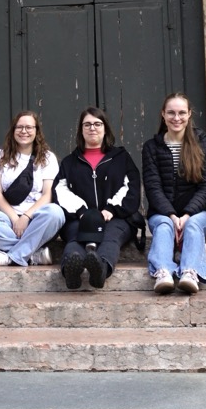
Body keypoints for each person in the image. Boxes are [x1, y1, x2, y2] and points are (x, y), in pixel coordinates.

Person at [54, 107, 141, 290]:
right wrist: (81, 211)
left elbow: (131, 186)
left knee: (110, 238)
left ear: (105, 128)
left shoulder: (121, 158)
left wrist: (111, 209)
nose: (92, 128)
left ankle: (101, 269)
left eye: (97, 124)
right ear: (81, 130)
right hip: (79, 218)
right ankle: (71, 271)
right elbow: (60, 190)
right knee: (76, 239)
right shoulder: (69, 162)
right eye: (87, 124)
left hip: (117, 218)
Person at [142, 93, 206, 294]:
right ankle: (163, 271)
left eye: (182, 113)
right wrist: (172, 216)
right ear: (163, 114)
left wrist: (187, 214)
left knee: (193, 225)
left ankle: (190, 272)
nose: (177, 118)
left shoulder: (204, 144)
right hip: (162, 213)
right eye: (171, 113)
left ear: (189, 114)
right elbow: (153, 187)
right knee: (164, 226)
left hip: (199, 213)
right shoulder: (151, 147)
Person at [0, 111, 65, 268]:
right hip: (7, 219)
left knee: (56, 213)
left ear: (36, 131)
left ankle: (11, 257)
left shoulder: (48, 157)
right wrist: (16, 219)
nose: (24, 131)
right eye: (19, 127)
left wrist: (26, 217)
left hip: (37, 219)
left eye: (29, 127)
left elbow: (48, 195)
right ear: (13, 130)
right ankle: (32, 254)